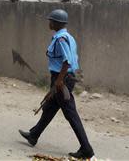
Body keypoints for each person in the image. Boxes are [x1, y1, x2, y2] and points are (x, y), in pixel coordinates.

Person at [19, 9, 94, 159]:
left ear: (57, 23)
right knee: (49, 107)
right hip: (62, 78)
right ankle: (34, 135)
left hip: (62, 79)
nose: (49, 23)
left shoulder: (61, 39)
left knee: (71, 114)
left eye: (51, 20)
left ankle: (87, 150)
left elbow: (67, 61)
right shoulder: (67, 37)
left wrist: (59, 81)